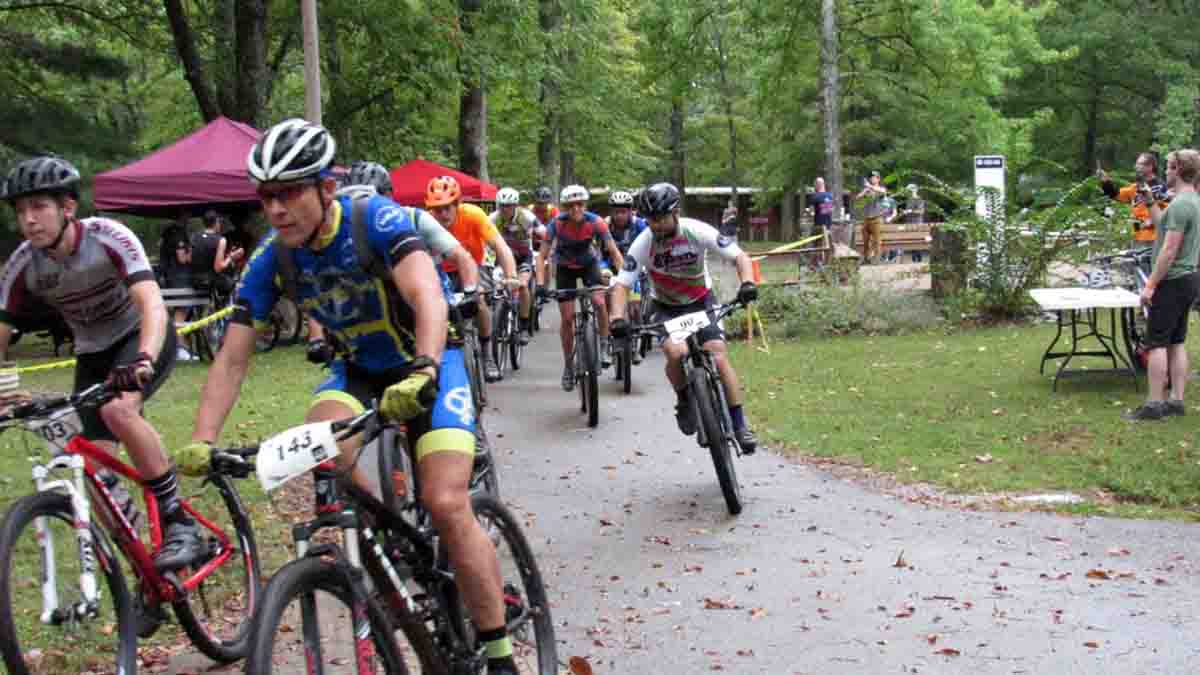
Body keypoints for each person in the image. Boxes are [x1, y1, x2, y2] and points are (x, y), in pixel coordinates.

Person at [174, 119, 521, 674]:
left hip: (430, 363)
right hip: (356, 371)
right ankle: (383, 548)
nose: (277, 209)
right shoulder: (273, 258)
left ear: (325, 189)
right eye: (267, 197)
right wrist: (202, 438)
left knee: (447, 502)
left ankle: (499, 652)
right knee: (327, 456)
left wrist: (426, 368)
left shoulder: (376, 220)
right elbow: (233, 356)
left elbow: (428, 296)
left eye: (290, 193)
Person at [0, 156, 198, 571]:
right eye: (20, 211)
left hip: (140, 335)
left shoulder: (109, 237)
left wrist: (143, 358)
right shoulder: (23, 265)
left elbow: (151, 303)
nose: (29, 220)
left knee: (120, 409)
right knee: (89, 467)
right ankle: (144, 567)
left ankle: (177, 519)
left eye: (38, 207)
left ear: (68, 208)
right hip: (92, 352)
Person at [608, 183, 759, 452]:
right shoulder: (644, 242)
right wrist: (617, 317)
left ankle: (740, 424)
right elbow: (622, 284)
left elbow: (739, 257)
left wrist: (747, 283)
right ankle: (684, 399)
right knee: (675, 353)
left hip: (701, 300)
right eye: (650, 220)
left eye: (660, 218)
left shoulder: (695, 230)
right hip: (665, 306)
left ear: (675, 212)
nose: (655, 225)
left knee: (718, 353)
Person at [305, 161, 480, 367]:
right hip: (378, 312)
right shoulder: (341, 232)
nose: (361, 206)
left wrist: (470, 291)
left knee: (445, 364)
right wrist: (317, 339)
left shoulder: (415, 218)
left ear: (389, 196)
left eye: (371, 198)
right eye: (351, 198)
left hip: (432, 297)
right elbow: (322, 290)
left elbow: (462, 257)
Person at [1124, 149, 1200, 421]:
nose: (1165, 171)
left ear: (1178, 168)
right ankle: (1176, 401)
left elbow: (1168, 250)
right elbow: (1165, 227)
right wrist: (1152, 204)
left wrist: (1150, 286)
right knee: (1176, 341)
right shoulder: (1191, 200)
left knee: (1156, 342)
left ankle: (1153, 405)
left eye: (1168, 167)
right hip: (1189, 278)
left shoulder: (1180, 205)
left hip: (1172, 281)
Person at [426, 175, 520, 383]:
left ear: (457, 204)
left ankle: (487, 356)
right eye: (437, 209)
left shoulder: (473, 214)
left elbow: (501, 247)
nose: (442, 214)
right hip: (442, 269)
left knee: (480, 302)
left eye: (447, 208)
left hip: (474, 265)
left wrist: (511, 275)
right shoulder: (426, 221)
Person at [535, 184, 624, 390]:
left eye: (580, 205)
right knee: (567, 319)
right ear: (565, 207)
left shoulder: (596, 223)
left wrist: (622, 278)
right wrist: (540, 284)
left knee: (599, 302)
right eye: (571, 206)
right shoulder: (556, 224)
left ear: (585, 205)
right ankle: (568, 365)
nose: (576, 209)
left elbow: (613, 251)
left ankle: (603, 343)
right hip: (565, 268)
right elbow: (541, 256)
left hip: (589, 265)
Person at [489, 187, 544, 343]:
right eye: (502, 206)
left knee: (523, 286)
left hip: (524, 256)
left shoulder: (526, 216)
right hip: (503, 257)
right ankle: (499, 316)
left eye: (509, 205)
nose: (505, 209)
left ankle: (524, 326)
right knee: (497, 286)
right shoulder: (492, 218)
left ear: (516, 205)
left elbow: (543, 231)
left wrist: (548, 242)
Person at [604, 191, 649, 362]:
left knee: (635, 307)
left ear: (631, 211)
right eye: (616, 211)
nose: (620, 215)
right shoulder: (605, 225)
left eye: (624, 211)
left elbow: (651, 244)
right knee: (610, 299)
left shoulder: (640, 225)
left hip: (634, 267)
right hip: (609, 265)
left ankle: (635, 342)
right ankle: (609, 337)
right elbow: (594, 249)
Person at [1098, 152, 1169, 249]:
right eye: (1136, 164)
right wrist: (1105, 181)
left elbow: (1167, 212)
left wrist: (1150, 222)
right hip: (1137, 236)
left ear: (1150, 167)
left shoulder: (1161, 187)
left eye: (1140, 164)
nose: (1136, 167)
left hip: (1154, 237)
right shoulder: (1135, 187)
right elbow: (1114, 194)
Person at [190, 210, 244, 297]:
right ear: (216, 222)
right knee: (240, 287)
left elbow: (190, 258)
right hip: (210, 282)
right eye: (219, 221)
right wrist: (231, 257)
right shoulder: (221, 240)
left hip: (195, 281)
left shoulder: (195, 237)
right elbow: (218, 268)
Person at [855, 171, 887, 264]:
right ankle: (866, 259)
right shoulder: (867, 190)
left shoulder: (881, 189)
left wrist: (870, 187)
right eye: (871, 177)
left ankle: (876, 259)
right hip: (866, 218)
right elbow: (857, 198)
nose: (872, 178)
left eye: (874, 177)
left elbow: (883, 192)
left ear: (878, 179)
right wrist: (865, 190)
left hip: (876, 218)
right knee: (865, 241)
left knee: (876, 241)